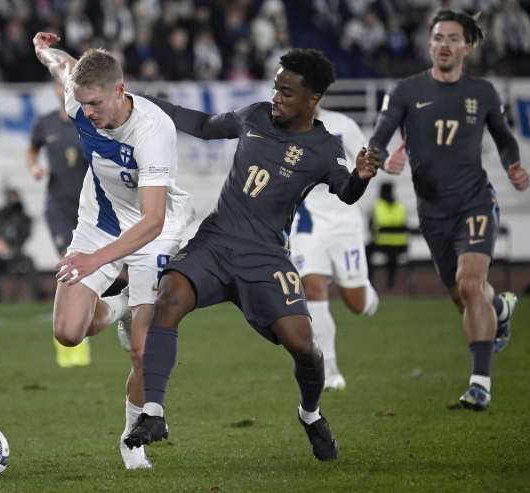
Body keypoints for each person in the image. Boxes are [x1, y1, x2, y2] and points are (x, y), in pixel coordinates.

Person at [123, 48, 382, 462]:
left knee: (304, 347)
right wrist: (141, 104)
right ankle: (153, 413)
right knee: (168, 296)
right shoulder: (256, 115)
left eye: (286, 91)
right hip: (217, 240)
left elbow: (346, 191)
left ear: (312, 99)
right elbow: (205, 125)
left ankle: (310, 414)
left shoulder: (323, 146)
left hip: (265, 258)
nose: (276, 96)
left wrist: (362, 177)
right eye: (276, 87)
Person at [32, 31, 194, 470]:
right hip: (99, 222)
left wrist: (95, 261)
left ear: (120, 91)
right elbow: (64, 67)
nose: (86, 113)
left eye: (95, 105)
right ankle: (121, 304)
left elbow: (153, 219)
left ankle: (131, 440)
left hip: (153, 229)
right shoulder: (79, 100)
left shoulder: (153, 130)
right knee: (68, 332)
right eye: (82, 104)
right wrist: (44, 49)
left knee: (142, 350)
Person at [368, 10, 530, 411]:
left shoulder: (483, 93)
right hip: (433, 212)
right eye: (438, 37)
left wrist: (513, 164)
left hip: (475, 201)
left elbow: (505, 138)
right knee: (464, 297)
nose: (445, 44)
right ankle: (499, 309)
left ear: (467, 46)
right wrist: (378, 156)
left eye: (453, 38)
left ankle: (480, 385)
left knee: (471, 284)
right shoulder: (406, 90)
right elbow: (382, 132)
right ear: (429, 43)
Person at [289, 105, 380, 392]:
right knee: (312, 288)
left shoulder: (343, 125)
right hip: (307, 224)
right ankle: (329, 370)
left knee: (357, 304)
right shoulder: (281, 127)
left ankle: (365, 292)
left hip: (343, 222)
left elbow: (367, 164)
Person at [27, 81, 95, 368]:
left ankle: (81, 328)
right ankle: (72, 343)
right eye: (59, 85)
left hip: (88, 209)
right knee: (68, 268)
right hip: (57, 207)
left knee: (86, 270)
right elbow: (32, 150)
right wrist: (34, 167)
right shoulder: (44, 123)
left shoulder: (89, 122)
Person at [0, 187, 43, 303]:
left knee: (29, 261)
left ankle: (37, 294)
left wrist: (11, 248)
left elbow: (24, 235)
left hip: (14, 252)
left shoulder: (23, 218)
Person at [366, 181, 409, 290]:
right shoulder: (400, 207)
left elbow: (370, 227)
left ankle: (369, 280)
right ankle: (391, 283)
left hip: (382, 243)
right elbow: (404, 225)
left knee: (366, 252)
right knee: (392, 259)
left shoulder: (377, 207)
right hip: (400, 245)